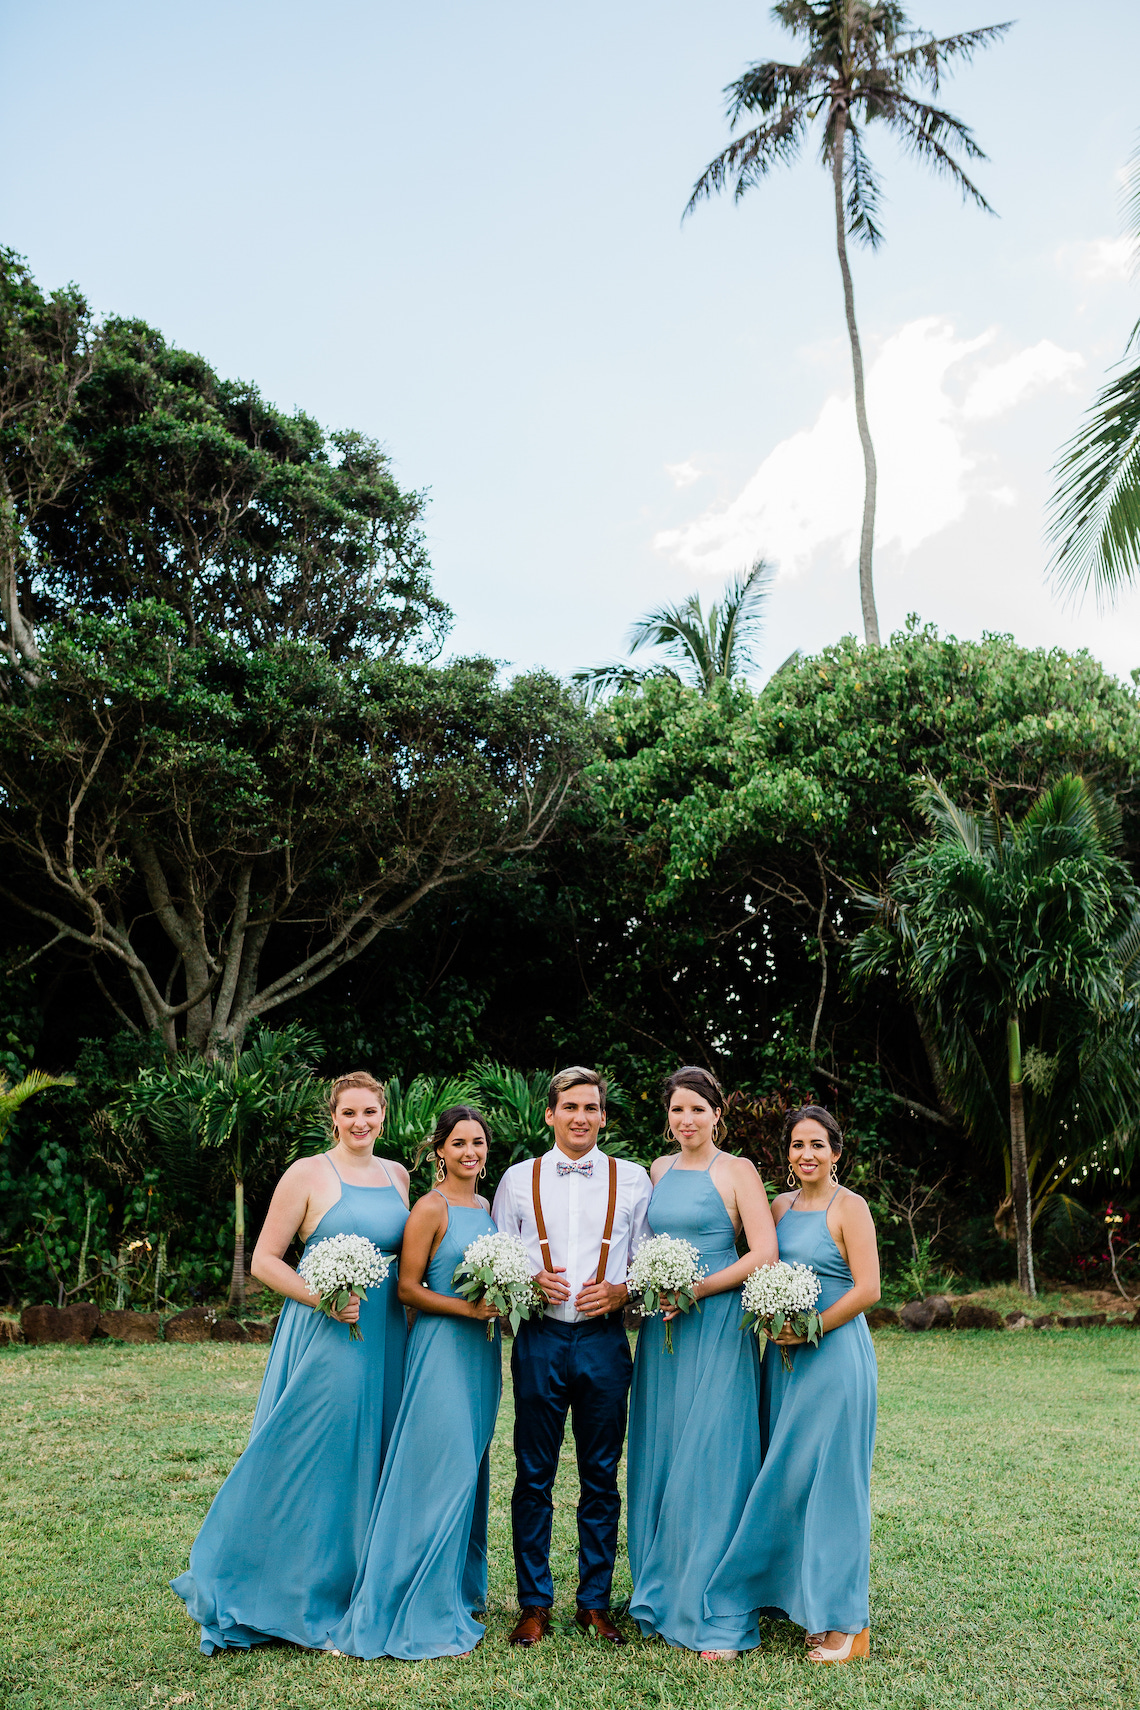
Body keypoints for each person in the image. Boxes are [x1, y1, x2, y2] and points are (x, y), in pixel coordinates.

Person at [171, 1071, 410, 1655]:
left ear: (384, 1116)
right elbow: (265, 1261)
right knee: (320, 1457)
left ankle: (359, 1587)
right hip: (328, 1332)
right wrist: (321, 1297)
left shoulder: (397, 1175)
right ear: (333, 1115)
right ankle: (290, 1591)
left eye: (371, 1113)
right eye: (349, 1113)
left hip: (388, 1335)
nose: (361, 1123)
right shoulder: (306, 1174)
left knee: (374, 1455)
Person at [324, 1105, 502, 1660]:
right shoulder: (430, 1207)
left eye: (477, 1143)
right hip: (442, 1349)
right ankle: (403, 1597)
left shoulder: (488, 1207)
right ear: (439, 1152)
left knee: (468, 1468)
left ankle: (452, 1587)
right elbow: (406, 1288)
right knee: (434, 1471)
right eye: (458, 1144)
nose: (469, 1153)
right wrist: (467, 1311)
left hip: (483, 1355)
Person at [704, 1104, 880, 1665]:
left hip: (833, 1361)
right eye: (798, 1145)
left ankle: (847, 1623)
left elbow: (869, 1289)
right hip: (779, 1363)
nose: (807, 1154)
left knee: (833, 1486)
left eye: (818, 1145)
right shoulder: (777, 1207)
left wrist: (810, 1330)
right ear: (787, 1153)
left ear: (836, 1151)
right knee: (785, 1479)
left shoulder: (850, 1208)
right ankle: (798, 1600)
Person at [492, 1066, 651, 1647]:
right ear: (550, 1115)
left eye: (591, 1107)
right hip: (539, 1339)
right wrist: (527, 1281)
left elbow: (648, 1258)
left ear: (603, 1116)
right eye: (569, 1107)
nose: (580, 1117)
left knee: (601, 1477)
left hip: (605, 1341)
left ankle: (594, 1603)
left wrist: (622, 1290)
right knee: (533, 1475)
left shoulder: (633, 1179)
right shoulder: (516, 1179)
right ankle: (534, 1604)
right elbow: (498, 1259)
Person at [626, 1065, 779, 1661]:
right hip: (663, 1332)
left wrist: (700, 1289)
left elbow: (763, 1251)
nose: (686, 1120)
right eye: (677, 1110)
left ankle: (714, 1607)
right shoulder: (656, 1172)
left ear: (718, 1112)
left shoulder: (737, 1171)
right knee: (662, 1451)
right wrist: (655, 1284)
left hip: (716, 1326)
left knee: (714, 1456)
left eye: (697, 1109)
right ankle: (663, 1594)